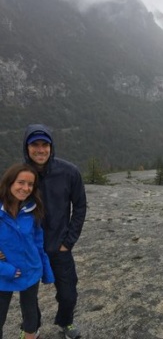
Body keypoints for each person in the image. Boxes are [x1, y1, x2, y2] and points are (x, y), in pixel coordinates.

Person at [23, 124, 87, 339]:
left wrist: (68, 241)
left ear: (51, 147)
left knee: (68, 293)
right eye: (34, 145)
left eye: (44, 144)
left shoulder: (69, 172)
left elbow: (79, 206)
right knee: (29, 296)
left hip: (60, 246)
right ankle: (32, 327)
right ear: (27, 147)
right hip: (30, 248)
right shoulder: (21, 176)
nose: (40, 150)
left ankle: (65, 321)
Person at [0, 163, 55, 339]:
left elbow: (38, 244)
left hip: (31, 269)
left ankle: (30, 336)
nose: (25, 188)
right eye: (20, 182)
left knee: (30, 310)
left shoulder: (32, 210)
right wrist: (5, 269)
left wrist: (46, 271)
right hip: (3, 273)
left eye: (30, 184)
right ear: (9, 182)